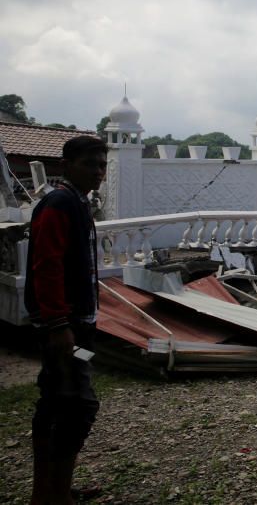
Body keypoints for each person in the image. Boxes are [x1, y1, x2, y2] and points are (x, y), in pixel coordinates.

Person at [25, 135, 107, 505]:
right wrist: (58, 323)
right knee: (72, 406)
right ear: (66, 165)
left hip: (76, 320)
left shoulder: (76, 203)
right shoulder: (59, 204)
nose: (98, 172)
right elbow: (47, 264)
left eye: (102, 165)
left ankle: (54, 487)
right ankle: (51, 493)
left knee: (62, 404)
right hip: (64, 325)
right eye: (90, 164)